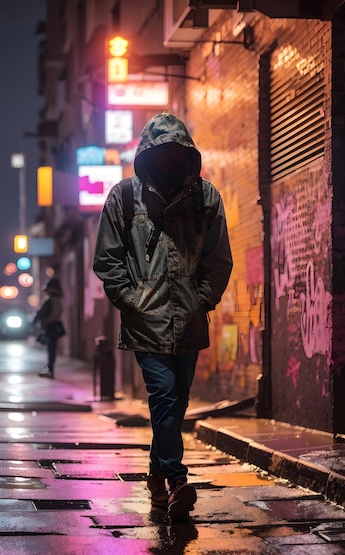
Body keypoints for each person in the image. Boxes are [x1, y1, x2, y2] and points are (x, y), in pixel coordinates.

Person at [93, 113, 233, 519]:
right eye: (163, 152)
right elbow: (108, 259)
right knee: (165, 395)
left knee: (176, 404)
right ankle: (176, 480)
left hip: (188, 321)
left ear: (185, 153)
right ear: (149, 154)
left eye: (176, 152)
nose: (170, 159)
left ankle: (155, 476)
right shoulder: (123, 198)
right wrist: (133, 301)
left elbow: (218, 259)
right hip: (145, 324)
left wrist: (200, 300)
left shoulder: (206, 199)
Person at [33, 277, 64, 379]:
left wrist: (34, 320)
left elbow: (41, 313)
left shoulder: (50, 300)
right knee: (52, 348)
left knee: (51, 348)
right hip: (55, 326)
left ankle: (50, 369)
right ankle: (50, 368)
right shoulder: (58, 300)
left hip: (50, 326)